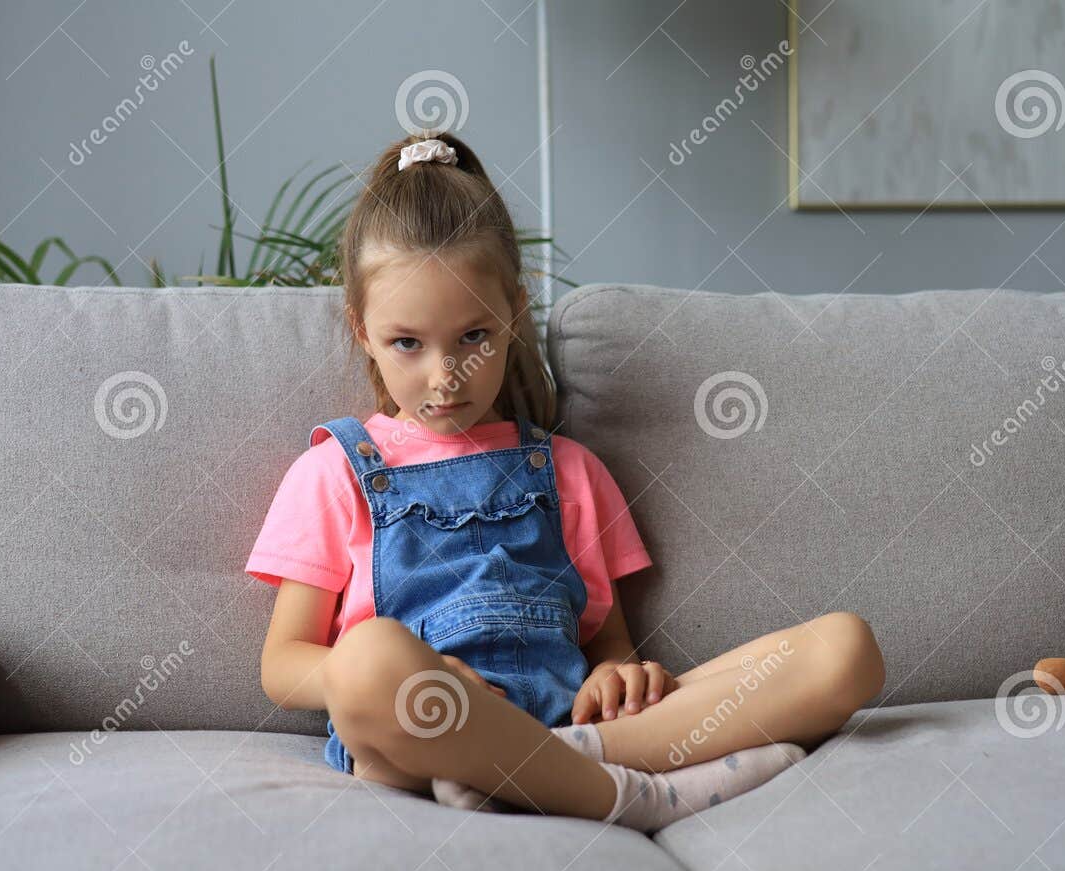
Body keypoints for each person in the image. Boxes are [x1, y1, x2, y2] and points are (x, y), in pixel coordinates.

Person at [246, 130, 884, 832]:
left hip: (569, 721)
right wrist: (415, 676)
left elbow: (606, 644)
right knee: (368, 658)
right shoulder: (335, 470)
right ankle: (626, 793)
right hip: (419, 734)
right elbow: (284, 664)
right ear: (360, 329)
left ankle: (540, 771)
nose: (444, 373)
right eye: (408, 343)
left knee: (846, 651)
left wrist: (620, 671)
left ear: (514, 314)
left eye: (473, 337)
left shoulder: (569, 471)